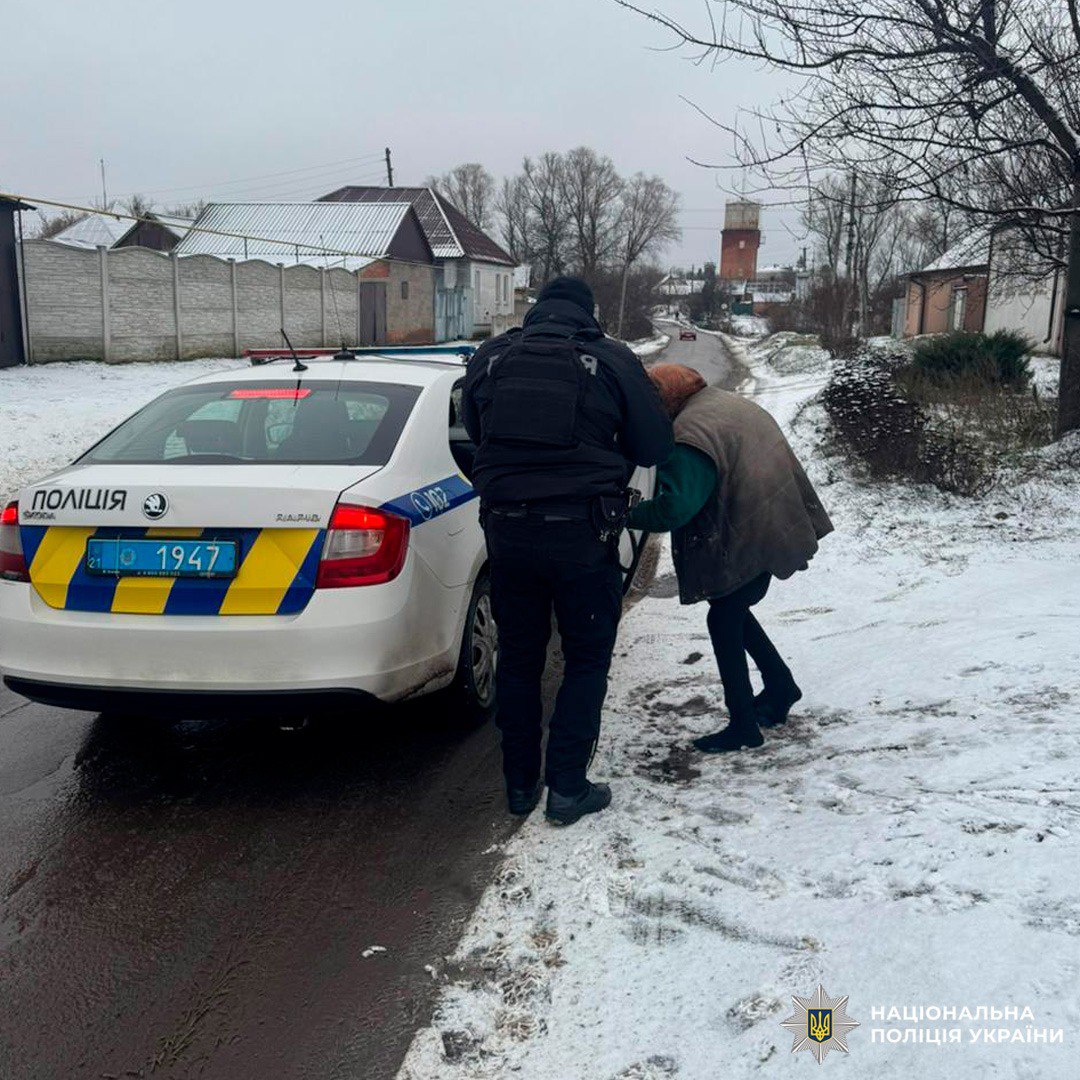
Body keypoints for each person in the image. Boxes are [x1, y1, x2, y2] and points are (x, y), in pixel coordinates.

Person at [462, 276, 673, 824]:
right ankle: (567, 788)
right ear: (589, 314)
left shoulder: (490, 357)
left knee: (520, 658)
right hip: (583, 535)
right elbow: (654, 445)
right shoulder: (610, 358)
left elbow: (476, 434)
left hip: (507, 536)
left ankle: (518, 787)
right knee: (584, 659)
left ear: (535, 312)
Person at [627, 363, 833, 753]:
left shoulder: (689, 434)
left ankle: (743, 725)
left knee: (723, 617)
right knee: (731, 608)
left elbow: (675, 509)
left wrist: (626, 514)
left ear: (663, 400)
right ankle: (780, 687)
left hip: (755, 527)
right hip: (772, 518)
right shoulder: (718, 403)